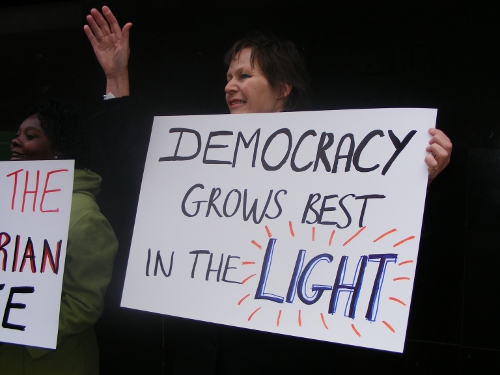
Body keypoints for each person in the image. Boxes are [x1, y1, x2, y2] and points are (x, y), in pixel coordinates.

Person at [83, 6, 453, 373]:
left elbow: (376, 236)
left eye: (245, 75)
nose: (230, 85)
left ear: (283, 88)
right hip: (200, 355)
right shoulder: (204, 157)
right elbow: (135, 172)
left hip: (279, 358)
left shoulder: (329, 165)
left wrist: (416, 183)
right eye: (228, 76)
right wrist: (116, 76)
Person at [0, 100, 118, 375]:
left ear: (59, 151)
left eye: (31, 136)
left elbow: (85, 304)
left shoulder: (85, 216)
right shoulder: (6, 201)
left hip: (48, 362)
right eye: (17, 134)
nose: (17, 141)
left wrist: (20, 326)